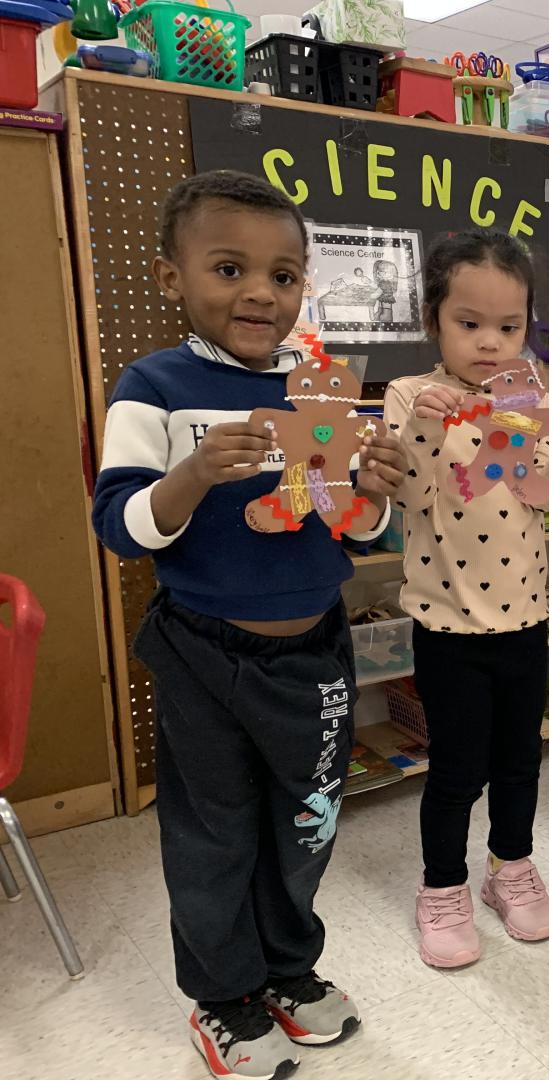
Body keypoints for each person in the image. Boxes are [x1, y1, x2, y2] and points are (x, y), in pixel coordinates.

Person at [91, 170, 406, 1079]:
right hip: (205, 653)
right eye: (229, 269)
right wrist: (191, 476)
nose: (261, 292)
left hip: (317, 649)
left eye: (284, 274)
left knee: (307, 821)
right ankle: (223, 995)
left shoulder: (322, 389)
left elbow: (357, 525)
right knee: (213, 833)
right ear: (172, 278)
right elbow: (119, 525)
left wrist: (375, 491)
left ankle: (287, 970)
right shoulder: (153, 386)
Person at [383, 231, 549, 968]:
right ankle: (441, 886)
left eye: (508, 327)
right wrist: (426, 423)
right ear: (433, 320)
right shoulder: (409, 395)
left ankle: (510, 867)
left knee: (520, 761)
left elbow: (544, 493)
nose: (489, 342)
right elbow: (408, 495)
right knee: (455, 770)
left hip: (525, 620)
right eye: (469, 323)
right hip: (447, 626)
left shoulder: (526, 393)